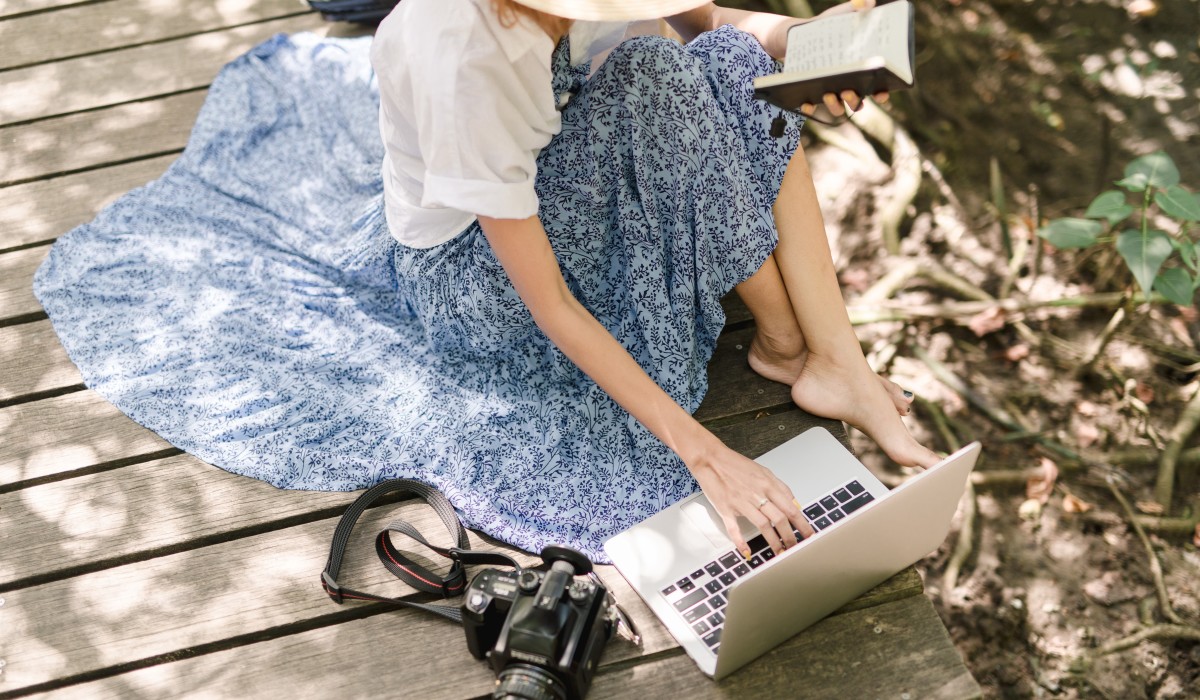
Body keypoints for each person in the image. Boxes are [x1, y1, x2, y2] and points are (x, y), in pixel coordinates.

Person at [33, 0, 937, 563]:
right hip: (478, 281)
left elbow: (706, 23)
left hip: (561, 164)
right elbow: (550, 305)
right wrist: (705, 453)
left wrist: (804, 40)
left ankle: (822, 358)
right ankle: (791, 347)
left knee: (737, 66)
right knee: (663, 76)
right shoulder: (467, 56)